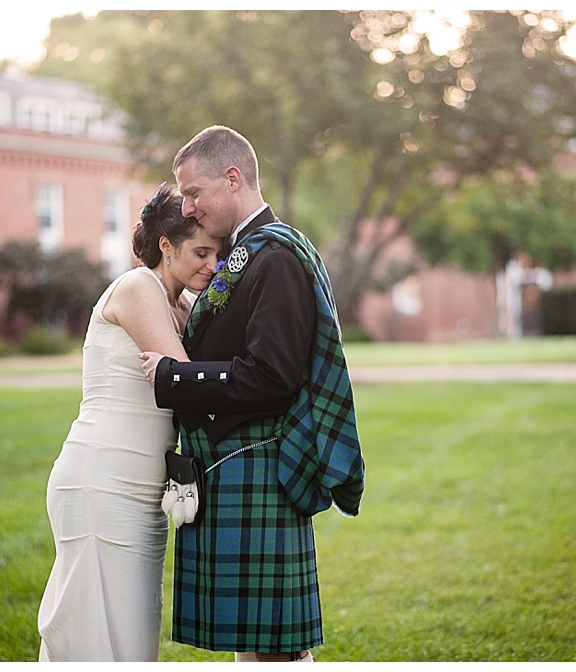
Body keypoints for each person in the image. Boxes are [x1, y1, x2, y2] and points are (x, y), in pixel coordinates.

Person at [139, 126, 365, 662]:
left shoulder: (275, 257)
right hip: (236, 464)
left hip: (256, 465)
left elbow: (272, 375)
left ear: (233, 178)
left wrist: (173, 376)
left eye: (193, 192)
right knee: (255, 650)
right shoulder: (246, 254)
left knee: (275, 653)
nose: (188, 207)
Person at [37, 184, 222, 661]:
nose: (212, 265)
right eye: (201, 252)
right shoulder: (139, 287)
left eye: (217, 255)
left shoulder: (181, 305)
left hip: (143, 490)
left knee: (134, 642)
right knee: (99, 640)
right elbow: (188, 383)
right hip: (103, 479)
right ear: (166, 246)